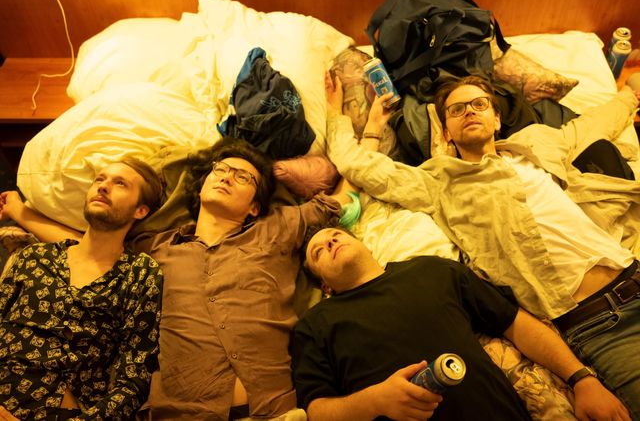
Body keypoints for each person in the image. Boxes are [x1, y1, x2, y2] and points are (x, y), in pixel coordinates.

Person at [324, 74, 640, 416]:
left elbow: (591, 125)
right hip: (597, 322)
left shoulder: (536, 143)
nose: (470, 112)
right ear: (446, 133)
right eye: (457, 110)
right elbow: (357, 164)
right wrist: (335, 113)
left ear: (497, 118)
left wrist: (630, 92)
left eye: (479, 104)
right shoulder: (439, 182)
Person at [1, 138, 355, 420]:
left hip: (275, 410)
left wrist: (364, 132)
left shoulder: (278, 228)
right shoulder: (153, 250)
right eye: (220, 170)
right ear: (201, 187)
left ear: (254, 206)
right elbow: (89, 246)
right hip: (180, 412)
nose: (226, 177)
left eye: (243, 177)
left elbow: (344, 195)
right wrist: (22, 212)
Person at [291, 226, 631, 421]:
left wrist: (582, 379)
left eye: (335, 234)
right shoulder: (315, 324)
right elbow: (316, 411)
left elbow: (516, 324)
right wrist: (376, 401)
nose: (330, 241)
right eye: (318, 251)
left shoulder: (432, 270)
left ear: (364, 242)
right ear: (325, 286)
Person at [0, 159, 164, 420]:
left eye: (120, 184)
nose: (104, 186)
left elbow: (134, 380)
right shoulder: (34, 257)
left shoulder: (140, 273)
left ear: (141, 210)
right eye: (100, 179)